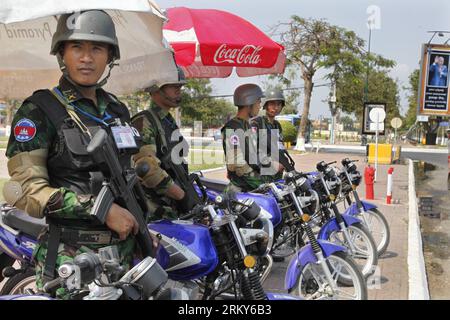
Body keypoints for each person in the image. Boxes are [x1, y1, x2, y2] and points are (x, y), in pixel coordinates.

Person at [2, 10, 148, 298]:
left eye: (97, 48)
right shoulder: (39, 110)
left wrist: (143, 225)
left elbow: (129, 177)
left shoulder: (118, 111)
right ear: (62, 54)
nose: (87, 57)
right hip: (70, 261)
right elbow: (25, 190)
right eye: (77, 47)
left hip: (125, 254)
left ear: (110, 56)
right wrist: (101, 209)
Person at [131, 67, 199, 220]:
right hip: (157, 213)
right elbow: (146, 169)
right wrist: (182, 196)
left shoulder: (167, 120)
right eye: (173, 86)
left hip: (172, 207)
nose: (179, 90)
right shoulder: (144, 121)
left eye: (180, 86)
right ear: (156, 88)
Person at [221, 84, 283, 192]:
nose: (260, 106)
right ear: (249, 102)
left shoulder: (247, 127)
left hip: (254, 190)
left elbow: (254, 158)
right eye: (258, 102)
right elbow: (239, 167)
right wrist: (264, 184)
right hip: (240, 193)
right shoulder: (232, 129)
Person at [250, 89, 294, 179]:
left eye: (279, 104)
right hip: (259, 176)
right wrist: (270, 164)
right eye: (272, 104)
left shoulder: (277, 126)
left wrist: (285, 163)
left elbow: (277, 149)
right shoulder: (256, 123)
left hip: (275, 176)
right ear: (265, 105)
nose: (276, 107)